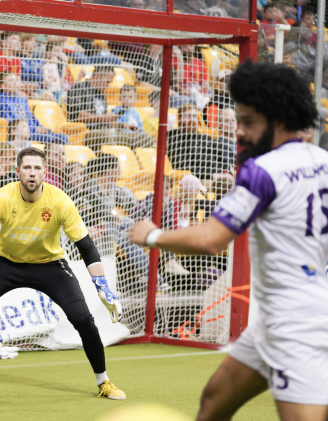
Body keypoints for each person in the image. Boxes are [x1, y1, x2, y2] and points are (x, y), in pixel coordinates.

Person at [129, 61, 328, 421]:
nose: (239, 132)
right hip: (280, 318)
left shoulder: (263, 170)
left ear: (280, 121)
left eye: (249, 122)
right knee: (213, 401)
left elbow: (211, 240)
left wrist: (152, 235)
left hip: (295, 324)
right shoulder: (323, 160)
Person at [0, 147, 126, 401]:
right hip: (5, 264)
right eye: (27, 167)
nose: (32, 173)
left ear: (44, 173)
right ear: (18, 172)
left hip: (51, 265)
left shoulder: (60, 201)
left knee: (83, 318)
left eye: (37, 168)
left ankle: (103, 381)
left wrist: (102, 286)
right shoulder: (3, 197)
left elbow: (87, 247)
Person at [66, 66, 153, 153]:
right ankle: (112, 165)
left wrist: (121, 125)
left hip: (106, 131)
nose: (108, 85)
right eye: (107, 82)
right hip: (88, 133)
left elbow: (105, 121)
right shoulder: (79, 88)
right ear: (98, 76)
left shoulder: (101, 94)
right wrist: (103, 118)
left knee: (146, 139)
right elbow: (76, 115)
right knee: (108, 135)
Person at [0, 71, 68, 144]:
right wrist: (34, 129)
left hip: (33, 131)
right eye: (11, 80)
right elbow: (10, 123)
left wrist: (41, 127)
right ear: (2, 86)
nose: (15, 83)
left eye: (16, 80)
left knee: (64, 137)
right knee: (51, 138)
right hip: (20, 134)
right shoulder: (1, 100)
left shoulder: (22, 100)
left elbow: (31, 117)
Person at [166, 104, 217, 180]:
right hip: (191, 181)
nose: (192, 119)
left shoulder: (205, 138)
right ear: (179, 118)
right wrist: (211, 176)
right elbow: (182, 167)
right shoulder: (173, 138)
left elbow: (214, 162)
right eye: (188, 116)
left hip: (212, 178)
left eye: (194, 116)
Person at [172, 44, 211, 110]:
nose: (189, 48)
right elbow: (175, 85)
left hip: (200, 97)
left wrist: (204, 94)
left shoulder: (200, 63)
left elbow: (205, 85)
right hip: (184, 97)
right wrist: (192, 93)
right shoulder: (173, 62)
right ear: (179, 47)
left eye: (191, 46)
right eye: (185, 46)